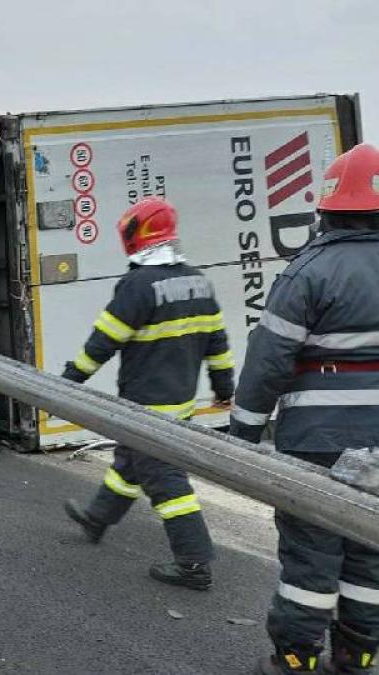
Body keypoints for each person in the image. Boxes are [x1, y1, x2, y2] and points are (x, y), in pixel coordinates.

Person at [228, 144, 379, 675]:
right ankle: (358, 655)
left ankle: (296, 659)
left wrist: (243, 432)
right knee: (373, 547)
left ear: (325, 208)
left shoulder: (308, 270)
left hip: (318, 439)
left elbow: (267, 362)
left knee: (311, 553)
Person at [62, 196, 234, 591]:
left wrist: (69, 380)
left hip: (146, 407)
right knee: (130, 462)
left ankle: (193, 564)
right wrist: (225, 390)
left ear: (137, 235)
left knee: (166, 483)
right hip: (180, 405)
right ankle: (97, 518)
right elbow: (218, 345)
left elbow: (103, 342)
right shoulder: (198, 282)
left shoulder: (137, 286)